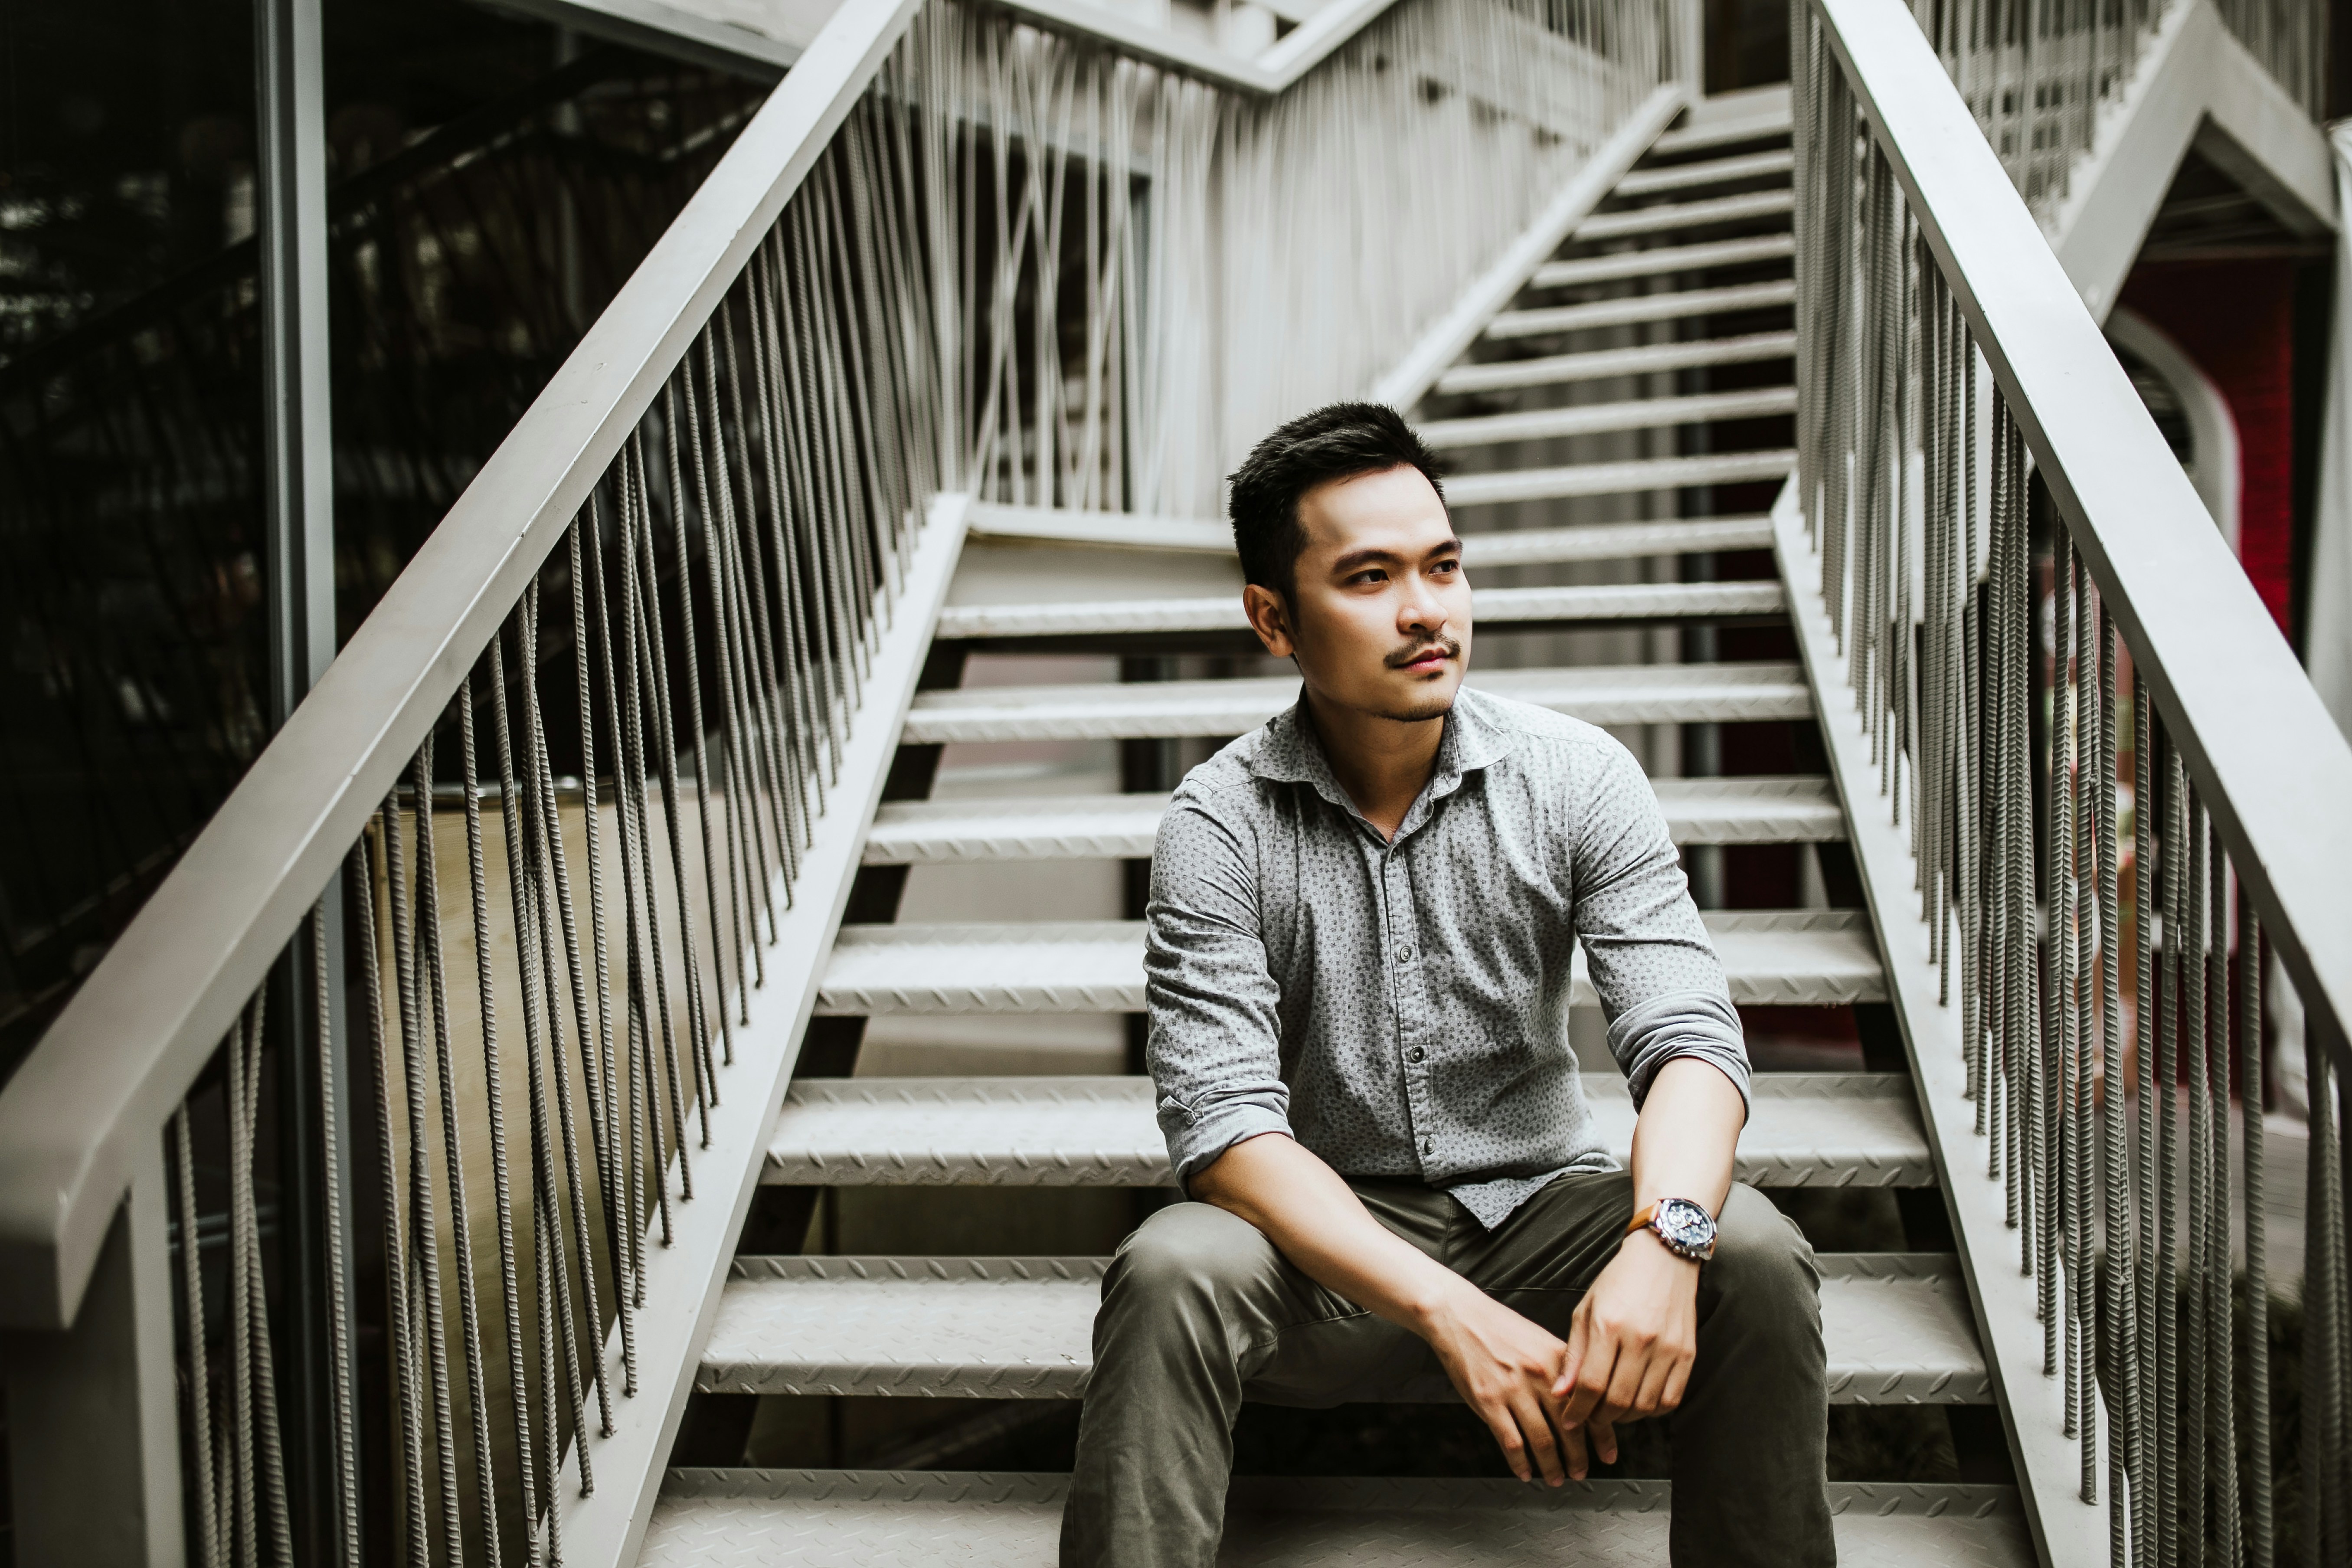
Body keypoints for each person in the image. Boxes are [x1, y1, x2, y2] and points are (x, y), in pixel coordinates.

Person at [1059, 403, 1835, 1568]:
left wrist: (1665, 1242)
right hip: (1326, 1257)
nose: (1426, 610)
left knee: (1756, 1254)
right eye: (1369, 577)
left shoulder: (1578, 778)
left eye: (1444, 565)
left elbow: (1690, 1042)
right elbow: (1223, 1132)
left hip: (1542, 1217)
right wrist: (1452, 1313)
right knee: (1173, 1268)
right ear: (1274, 617)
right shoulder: (1219, 825)